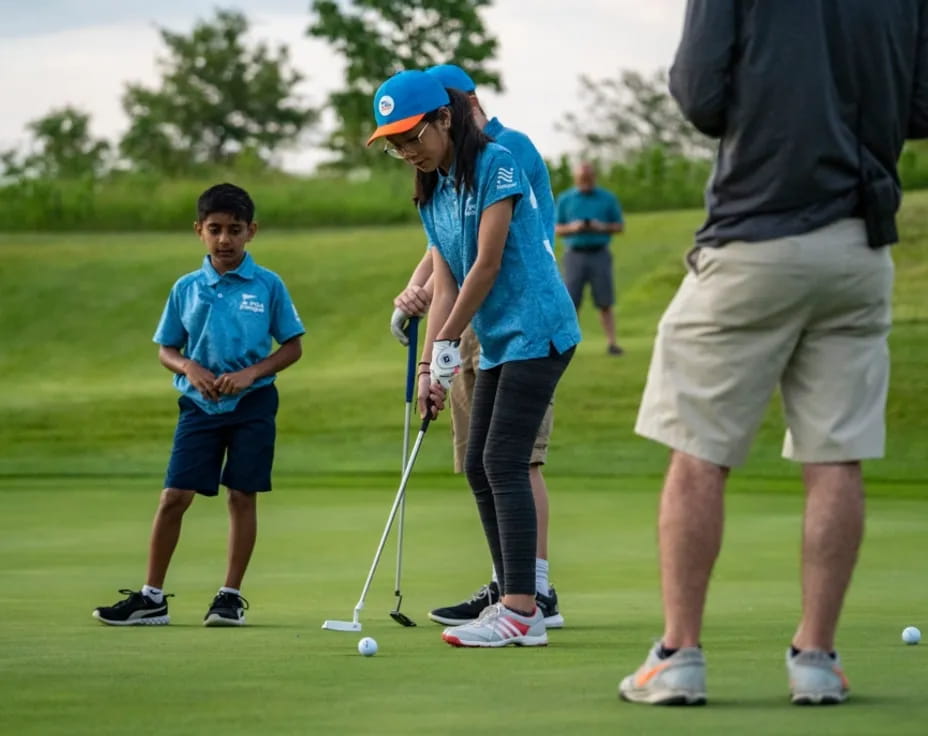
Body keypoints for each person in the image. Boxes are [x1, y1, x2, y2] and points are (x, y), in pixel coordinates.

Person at [620, 0, 927, 706]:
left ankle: (677, 656)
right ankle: (816, 659)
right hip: (861, 245)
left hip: (755, 233)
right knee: (836, 454)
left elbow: (700, 94)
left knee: (699, 449)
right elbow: (923, 102)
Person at [369, 70, 580, 647]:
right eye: (396, 143)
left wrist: (443, 346)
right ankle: (513, 599)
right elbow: (444, 276)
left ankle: (521, 610)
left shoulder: (497, 162)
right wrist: (426, 369)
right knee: (484, 465)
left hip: (538, 329)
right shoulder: (431, 188)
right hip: (497, 340)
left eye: (414, 135)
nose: (407, 150)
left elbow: (486, 264)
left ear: (445, 118)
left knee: (505, 461)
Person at [92, 183, 305, 627]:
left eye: (234, 229)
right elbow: (166, 348)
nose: (224, 239)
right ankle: (152, 598)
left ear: (252, 232)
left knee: (242, 495)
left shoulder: (268, 285)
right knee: (174, 496)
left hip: (253, 405)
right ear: (199, 232)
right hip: (198, 408)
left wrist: (251, 374)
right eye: (215, 229)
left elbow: (292, 346)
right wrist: (189, 367)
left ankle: (229, 596)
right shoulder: (186, 288)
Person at [555, 162, 625, 355]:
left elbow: (619, 225)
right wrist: (573, 227)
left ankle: (612, 343)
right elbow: (557, 227)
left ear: (594, 178)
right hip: (574, 253)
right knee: (571, 301)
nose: (585, 182)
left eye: (588, 178)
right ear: (576, 179)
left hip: (599, 252)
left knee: (605, 300)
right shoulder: (566, 199)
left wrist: (600, 226)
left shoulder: (607, 198)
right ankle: (566, 344)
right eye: (582, 179)